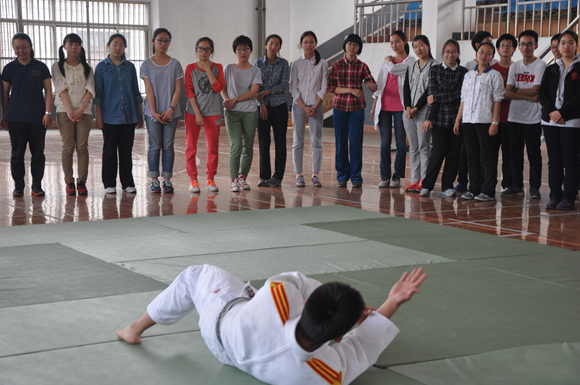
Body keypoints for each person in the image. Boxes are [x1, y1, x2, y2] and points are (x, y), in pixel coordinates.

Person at [117, 264, 427, 385]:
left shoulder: (278, 297)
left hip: (219, 326)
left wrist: (335, 303)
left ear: (305, 305)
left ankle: (134, 329)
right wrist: (392, 302)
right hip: (238, 360)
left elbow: (301, 283)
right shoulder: (325, 372)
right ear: (339, 336)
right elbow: (363, 346)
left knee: (196, 275)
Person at [1, 33, 53, 197]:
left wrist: (47, 113)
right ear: (13, 49)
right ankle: (18, 186)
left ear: (30, 47)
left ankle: (37, 186)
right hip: (15, 117)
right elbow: (4, 94)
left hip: (37, 118)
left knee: (38, 153)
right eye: (17, 47)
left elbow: (49, 92)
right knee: (17, 154)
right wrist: (4, 116)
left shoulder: (41, 67)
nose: (21, 50)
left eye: (24, 47)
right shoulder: (9, 68)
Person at [454, 42, 505, 202]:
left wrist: (494, 122)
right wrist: (458, 120)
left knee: (488, 157)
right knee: (472, 157)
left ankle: (488, 190)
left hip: (485, 122)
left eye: (488, 53)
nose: (484, 55)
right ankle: (473, 188)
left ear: (492, 57)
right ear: (476, 54)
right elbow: (463, 99)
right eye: (481, 52)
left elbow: (498, 100)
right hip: (468, 121)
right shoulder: (468, 75)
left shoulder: (494, 75)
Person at [94, 34, 143, 194]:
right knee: (109, 151)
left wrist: (139, 115)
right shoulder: (102, 67)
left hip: (128, 115)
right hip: (109, 116)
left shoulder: (130, 67)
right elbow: (98, 95)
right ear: (108, 45)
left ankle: (127, 182)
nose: (118, 47)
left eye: (121, 45)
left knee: (126, 151)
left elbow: (136, 92)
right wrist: (99, 117)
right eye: (115, 44)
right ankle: (109, 183)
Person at [420, 39, 468, 198]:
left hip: (457, 120)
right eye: (447, 51)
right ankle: (427, 185)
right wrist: (428, 118)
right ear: (443, 53)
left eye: (454, 51)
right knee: (438, 153)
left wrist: (438, 97)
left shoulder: (463, 72)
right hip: (439, 119)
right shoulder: (435, 70)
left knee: (454, 154)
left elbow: (460, 96)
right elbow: (430, 96)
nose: (450, 54)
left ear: (458, 53)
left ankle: (447, 186)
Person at [538, 30, 580, 210]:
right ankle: (555, 195)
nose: (566, 46)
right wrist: (553, 112)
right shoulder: (551, 68)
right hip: (550, 120)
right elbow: (542, 93)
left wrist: (561, 112)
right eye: (563, 43)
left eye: (570, 43)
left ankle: (569, 196)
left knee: (570, 160)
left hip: (571, 121)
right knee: (554, 160)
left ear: (576, 45)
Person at [328, 34, 377, 188]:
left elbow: (372, 82)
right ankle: (342, 175)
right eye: (350, 44)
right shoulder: (336, 65)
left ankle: (356, 177)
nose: (352, 47)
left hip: (356, 109)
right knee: (340, 143)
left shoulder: (362, 66)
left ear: (358, 48)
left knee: (356, 143)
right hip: (339, 108)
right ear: (345, 45)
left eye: (356, 45)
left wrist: (371, 84)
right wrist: (351, 90)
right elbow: (332, 87)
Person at [502, 30, 546, 199]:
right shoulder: (515, 66)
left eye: (529, 44)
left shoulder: (540, 65)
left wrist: (517, 90)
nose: (526, 47)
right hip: (514, 117)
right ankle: (517, 185)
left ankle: (535, 188)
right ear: (518, 47)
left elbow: (536, 89)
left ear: (535, 45)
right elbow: (507, 93)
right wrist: (528, 95)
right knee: (515, 153)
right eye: (522, 44)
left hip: (532, 118)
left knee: (534, 154)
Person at [141, 28, 184, 194]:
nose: (163, 43)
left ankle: (167, 180)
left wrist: (171, 109)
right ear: (153, 41)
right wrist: (153, 111)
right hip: (153, 113)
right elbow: (148, 90)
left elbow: (178, 90)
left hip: (171, 112)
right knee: (154, 146)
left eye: (166, 40)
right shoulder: (146, 65)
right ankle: (154, 181)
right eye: (160, 40)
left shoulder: (175, 64)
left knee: (168, 146)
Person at [52, 33, 95, 196]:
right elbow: (61, 88)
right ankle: (69, 181)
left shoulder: (87, 68)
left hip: (84, 111)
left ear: (81, 47)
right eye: (70, 44)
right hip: (65, 111)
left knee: (82, 147)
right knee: (68, 146)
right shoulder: (57, 66)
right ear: (64, 47)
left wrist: (81, 109)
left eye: (77, 44)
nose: (74, 47)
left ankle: (81, 181)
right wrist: (70, 111)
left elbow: (90, 89)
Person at [372, 31, 415, 189]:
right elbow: (380, 82)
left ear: (404, 42)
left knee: (401, 144)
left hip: (401, 107)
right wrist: (375, 105)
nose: (394, 45)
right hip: (384, 106)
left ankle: (397, 176)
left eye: (397, 42)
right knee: (384, 143)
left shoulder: (410, 61)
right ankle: (384, 176)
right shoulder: (387, 61)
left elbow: (394, 71)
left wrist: (389, 61)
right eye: (391, 42)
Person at [184, 37, 225, 194]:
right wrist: (197, 113)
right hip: (193, 113)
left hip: (213, 112)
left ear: (211, 52)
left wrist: (208, 69)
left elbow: (217, 88)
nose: (203, 52)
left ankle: (210, 178)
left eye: (207, 49)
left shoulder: (218, 67)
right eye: (200, 48)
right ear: (196, 50)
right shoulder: (190, 68)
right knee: (191, 147)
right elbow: (189, 91)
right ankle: (193, 180)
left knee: (212, 148)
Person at [221, 35, 262, 192]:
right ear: (235, 51)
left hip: (250, 112)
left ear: (250, 51)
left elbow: (253, 92)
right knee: (236, 145)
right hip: (232, 113)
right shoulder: (228, 68)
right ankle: (233, 180)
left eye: (245, 49)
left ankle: (242, 177)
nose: (242, 52)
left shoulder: (255, 70)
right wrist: (227, 101)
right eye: (239, 49)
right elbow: (222, 87)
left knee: (248, 147)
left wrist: (234, 99)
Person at [290, 31, 328, 188]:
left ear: (316, 44)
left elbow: (324, 86)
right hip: (299, 105)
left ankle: (315, 175)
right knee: (297, 141)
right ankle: (299, 174)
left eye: (311, 42)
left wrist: (315, 105)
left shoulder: (322, 63)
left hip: (316, 106)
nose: (308, 45)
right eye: (305, 42)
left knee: (316, 141)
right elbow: (293, 87)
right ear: (301, 44)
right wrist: (303, 106)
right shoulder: (296, 64)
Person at [402, 35, 437, 192]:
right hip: (409, 112)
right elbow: (406, 89)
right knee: (413, 147)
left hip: (424, 111)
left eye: (421, 45)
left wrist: (416, 108)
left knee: (424, 146)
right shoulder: (411, 66)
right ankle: (414, 180)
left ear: (428, 46)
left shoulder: (435, 66)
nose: (418, 49)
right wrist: (408, 107)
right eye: (415, 46)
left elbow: (430, 89)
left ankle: (424, 179)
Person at [255, 34, 290, 188]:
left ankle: (277, 177)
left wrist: (266, 92)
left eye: (277, 44)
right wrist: (262, 103)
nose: (273, 47)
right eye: (271, 43)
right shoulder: (257, 63)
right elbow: (256, 86)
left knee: (280, 141)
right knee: (264, 142)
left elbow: (283, 86)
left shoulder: (283, 63)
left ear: (280, 47)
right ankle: (264, 176)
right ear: (265, 45)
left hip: (279, 106)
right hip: (262, 107)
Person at [492, 33, 517, 194]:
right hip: (493, 119)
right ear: (498, 49)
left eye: (509, 45)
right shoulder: (491, 69)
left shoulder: (517, 68)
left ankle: (509, 184)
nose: (506, 48)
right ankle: (488, 184)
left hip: (512, 118)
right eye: (503, 45)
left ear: (514, 49)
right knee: (490, 154)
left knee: (510, 153)